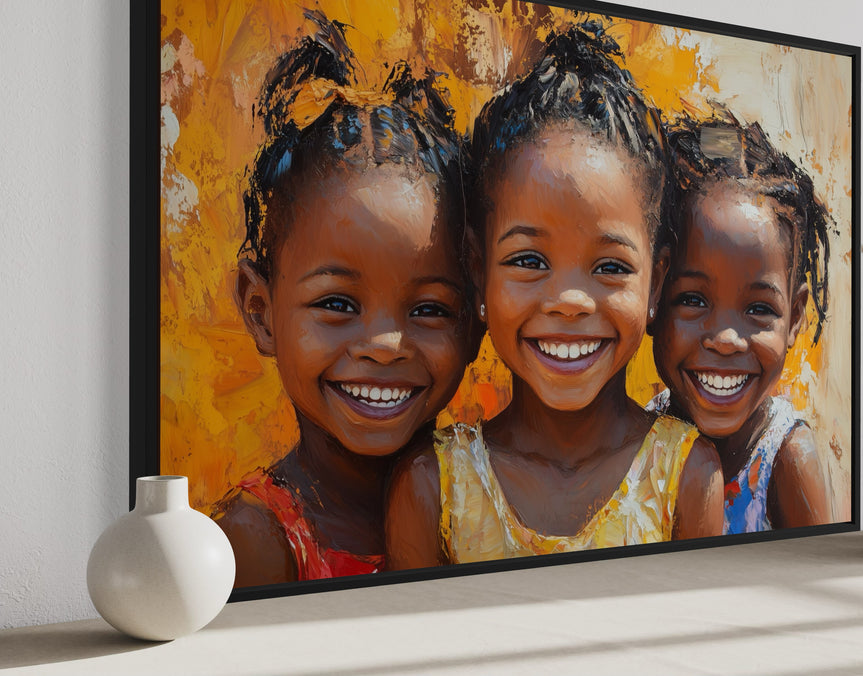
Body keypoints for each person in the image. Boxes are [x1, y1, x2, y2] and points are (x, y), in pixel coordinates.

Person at [386, 22, 726, 569]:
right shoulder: (432, 486)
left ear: (655, 284)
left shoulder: (686, 475)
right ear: (479, 274)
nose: (570, 300)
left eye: (610, 266)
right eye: (528, 261)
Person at [212, 11, 477, 586]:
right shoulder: (254, 543)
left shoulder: (497, 505)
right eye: (337, 303)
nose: (384, 346)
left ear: (477, 320)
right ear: (260, 312)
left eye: (430, 309)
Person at [651, 109, 831, 534]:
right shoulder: (646, 441)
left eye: (759, 309)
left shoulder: (787, 457)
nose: (727, 339)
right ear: (653, 297)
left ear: (795, 318)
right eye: (693, 299)